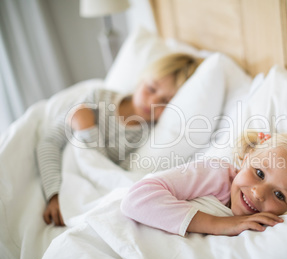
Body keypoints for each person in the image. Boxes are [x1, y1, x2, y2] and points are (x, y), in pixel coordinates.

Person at [37, 53, 202, 226]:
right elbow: (49, 141)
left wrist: (87, 130)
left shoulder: (145, 137)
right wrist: (54, 195)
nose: (153, 101)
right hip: (58, 173)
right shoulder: (97, 99)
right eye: (151, 89)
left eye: (165, 101)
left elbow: (105, 172)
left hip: (82, 185)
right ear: (141, 80)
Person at [120, 132, 287, 236]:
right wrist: (222, 224)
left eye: (280, 195)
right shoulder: (215, 174)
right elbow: (136, 198)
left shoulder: (269, 229)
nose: (258, 193)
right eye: (259, 173)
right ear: (246, 157)